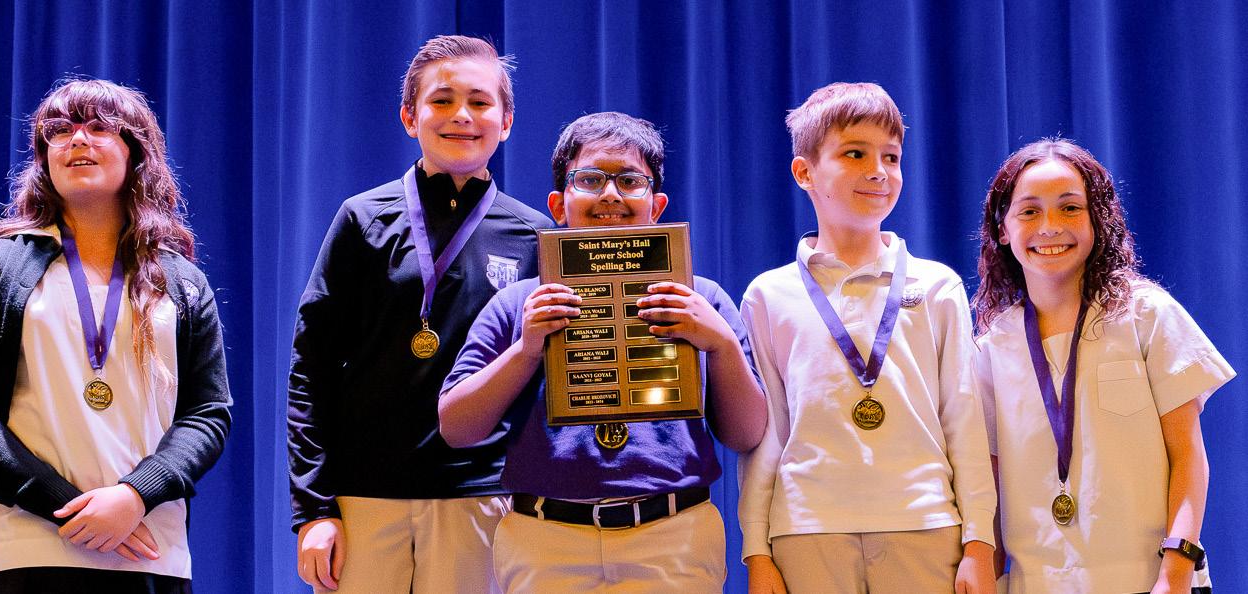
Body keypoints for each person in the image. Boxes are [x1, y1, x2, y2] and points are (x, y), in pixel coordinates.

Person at [438, 111, 767, 594]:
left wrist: (720, 343)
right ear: (558, 204)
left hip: (674, 536)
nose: (610, 194)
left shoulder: (704, 301)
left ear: (656, 206)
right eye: (589, 179)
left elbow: (747, 433)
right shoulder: (517, 303)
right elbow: (456, 426)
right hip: (544, 540)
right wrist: (526, 350)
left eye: (630, 181)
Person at [0, 78, 232, 593]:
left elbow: (208, 413)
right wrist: (58, 502)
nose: (77, 139)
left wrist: (136, 496)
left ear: (136, 151)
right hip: (22, 544)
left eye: (99, 127)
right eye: (59, 130)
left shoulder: (180, 281)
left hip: (148, 548)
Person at [287, 35, 553, 593]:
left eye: (480, 102)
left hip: (482, 499)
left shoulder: (535, 236)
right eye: (442, 100)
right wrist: (313, 508)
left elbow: (545, 385)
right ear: (410, 117)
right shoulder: (362, 219)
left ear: (506, 122)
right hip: (363, 500)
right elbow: (311, 369)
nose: (462, 116)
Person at [737, 82, 996, 594]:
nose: (878, 171)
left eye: (891, 157)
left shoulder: (937, 285)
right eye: (854, 154)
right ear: (804, 172)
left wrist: (979, 541)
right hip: (806, 530)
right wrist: (756, 551)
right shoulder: (768, 295)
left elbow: (964, 419)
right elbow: (768, 434)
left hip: (925, 524)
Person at [972, 138, 1234, 594]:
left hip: (1152, 579)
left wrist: (1175, 572)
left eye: (1070, 208)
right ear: (1003, 229)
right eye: (1030, 211)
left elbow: (1188, 455)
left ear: (1098, 220)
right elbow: (988, 483)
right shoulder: (993, 346)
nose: (1050, 227)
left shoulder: (1146, 314)